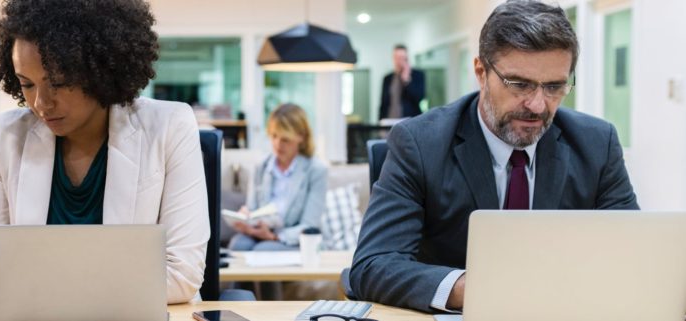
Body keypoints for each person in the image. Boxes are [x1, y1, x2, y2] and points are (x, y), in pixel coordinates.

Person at [350, 0, 638, 314]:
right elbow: (373, 266)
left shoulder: (597, 144)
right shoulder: (419, 144)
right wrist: (476, 289)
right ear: (481, 72)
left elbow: (633, 256)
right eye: (519, 84)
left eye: (555, 86)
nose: (538, 105)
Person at [0, 0, 209, 320]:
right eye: (27, 84)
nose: (41, 103)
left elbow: (182, 276)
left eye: (58, 82)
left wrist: (16, 288)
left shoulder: (170, 126)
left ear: (100, 69)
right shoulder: (8, 134)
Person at [229, 103, 327, 251]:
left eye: (285, 139)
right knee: (238, 245)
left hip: (294, 240)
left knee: (264, 249)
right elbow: (253, 208)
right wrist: (246, 218)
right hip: (261, 233)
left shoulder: (316, 170)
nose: (277, 144)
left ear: (301, 137)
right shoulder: (260, 167)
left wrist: (274, 237)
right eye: (274, 136)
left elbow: (310, 226)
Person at [379, 44, 426, 121]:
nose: (399, 61)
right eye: (397, 58)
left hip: (409, 121)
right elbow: (383, 104)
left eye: (402, 58)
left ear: (407, 59)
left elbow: (419, 98)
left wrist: (406, 81)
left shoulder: (417, 76)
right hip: (389, 122)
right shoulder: (387, 78)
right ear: (393, 58)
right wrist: (380, 121)